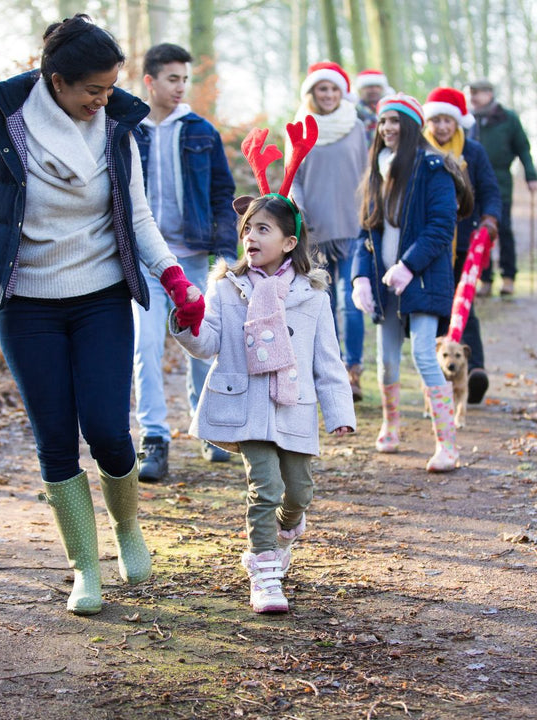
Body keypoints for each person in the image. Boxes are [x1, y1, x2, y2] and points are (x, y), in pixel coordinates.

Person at [0, 15, 206, 616]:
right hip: (28, 305)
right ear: (56, 80)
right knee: (55, 439)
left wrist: (175, 281)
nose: (103, 101)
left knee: (108, 429)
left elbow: (138, 221)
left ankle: (127, 527)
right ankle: (84, 566)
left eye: (110, 89)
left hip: (102, 297)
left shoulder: (116, 129)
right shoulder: (4, 129)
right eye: (93, 91)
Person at [171, 123, 356, 613]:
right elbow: (207, 342)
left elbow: (327, 359)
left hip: (294, 404)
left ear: (289, 243)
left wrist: (340, 409)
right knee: (265, 486)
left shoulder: (312, 294)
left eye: (263, 228)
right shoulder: (227, 286)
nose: (251, 236)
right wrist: (187, 322)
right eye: (247, 228)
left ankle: (286, 531)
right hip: (246, 402)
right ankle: (265, 571)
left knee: (298, 493)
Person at [132, 43, 238, 482]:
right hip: (143, 262)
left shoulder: (201, 131)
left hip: (192, 256)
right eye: (172, 79)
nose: (180, 87)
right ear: (150, 81)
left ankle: (208, 426)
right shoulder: (127, 129)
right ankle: (154, 438)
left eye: (184, 80)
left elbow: (221, 193)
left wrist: (227, 253)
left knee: (202, 346)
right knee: (146, 346)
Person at [352, 93, 467, 473]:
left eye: (396, 121)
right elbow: (365, 232)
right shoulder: (376, 170)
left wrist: (407, 264)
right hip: (383, 282)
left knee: (421, 352)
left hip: (421, 278)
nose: (387, 128)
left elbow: (440, 227)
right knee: (385, 360)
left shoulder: (433, 168)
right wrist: (359, 279)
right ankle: (391, 425)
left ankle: (447, 445)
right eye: (384, 121)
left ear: (412, 126)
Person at [290, 61, 368, 401]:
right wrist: (301, 215)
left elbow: (367, 173)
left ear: (342, 92)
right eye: (322, 88)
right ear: (312, 93)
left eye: (334, 89)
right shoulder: (300, 126)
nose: (329, 94)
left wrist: (370, 215)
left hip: (353, 225)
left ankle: (354, 372)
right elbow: (295, 177)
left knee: (352, 302)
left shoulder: (357, 126)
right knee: (325, 302)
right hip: (315, 228)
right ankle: (330, 371)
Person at [423, 87, 501, 405]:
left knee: (464, 307)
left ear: (458, 122)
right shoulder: (418, 152)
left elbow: (490, 190)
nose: (442, 127)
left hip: (464, 243)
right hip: (430, 245)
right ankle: (439, 375)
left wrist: (490, 219)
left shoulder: (473, 152)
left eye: (448, 121)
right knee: (437, 309)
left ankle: (474, 371)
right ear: (428, 122)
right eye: (436, 120)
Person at [468, 78, 537, 296]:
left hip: (500, 182)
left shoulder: (508, 119)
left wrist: (531, 175)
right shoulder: (469, 120)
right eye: (471, 93)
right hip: (473, 183)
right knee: (478, 231)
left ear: (489, 94)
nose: (474, 97)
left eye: (478, 93)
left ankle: (508, 277)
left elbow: (523, 149)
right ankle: (485, 279)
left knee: (503, 228)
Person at [354, 68, 393, 145]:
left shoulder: (390, 110)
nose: (374, 90)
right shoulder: (353, 112)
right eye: (369, 87)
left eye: (377, 86)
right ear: (361, 89)